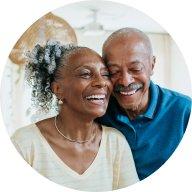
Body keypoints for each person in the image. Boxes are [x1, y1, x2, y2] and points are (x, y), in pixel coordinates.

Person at [11, 41, 139, 191]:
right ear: (58, 89)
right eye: (85, 74)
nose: (101, 82)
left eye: (105, 74)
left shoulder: (115, 142)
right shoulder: (25, 143)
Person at [98, 28, 191, 180]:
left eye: (135, 69)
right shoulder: (99, 111)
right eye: (114, 71)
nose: (125, 81)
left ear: (152, 65)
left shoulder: (184, 110)